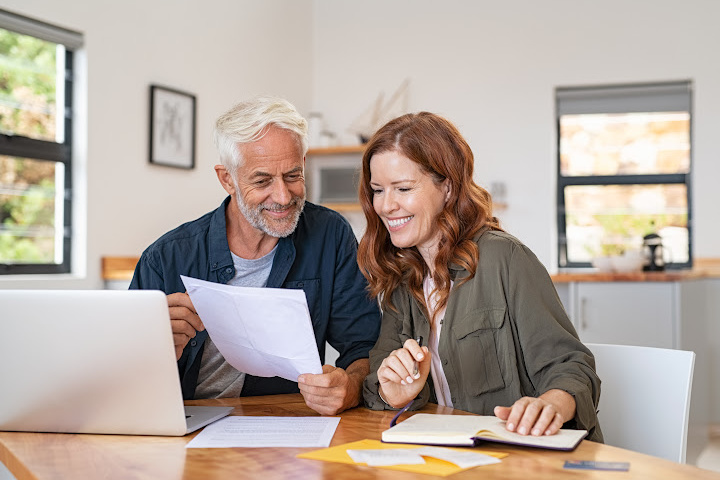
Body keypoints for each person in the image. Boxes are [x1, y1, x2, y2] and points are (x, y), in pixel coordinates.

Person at [358, 112, 602, 442]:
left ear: (447, 187)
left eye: (403, 188)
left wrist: (550, 405)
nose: (386, 206)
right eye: (377, 190)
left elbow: (573, 367)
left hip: (521, 458)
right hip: (450, 457)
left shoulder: (505, 258)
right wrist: (395, 393)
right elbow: (376, 382)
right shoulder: (403, 280)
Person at [130, 95, 381, 415]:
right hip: (184, 422)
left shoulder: (329, 235)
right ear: (227, 179)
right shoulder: (165, 258)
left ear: (303, 164)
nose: (282, 196)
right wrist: (155, 345)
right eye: (262, 180)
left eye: (292, 176)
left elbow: (363, 347)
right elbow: (122, 375)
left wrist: (350, 386)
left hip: (282, 422)